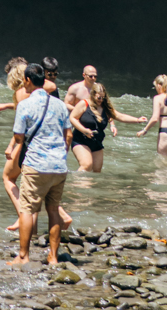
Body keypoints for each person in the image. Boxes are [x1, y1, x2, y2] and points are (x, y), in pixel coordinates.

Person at [6, 61, 73, 265]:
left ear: (27, 80)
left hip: (36, 165)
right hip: (59, 166)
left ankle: (23, 256)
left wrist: (14, 151)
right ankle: (53, 256)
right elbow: (68, 135)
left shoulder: (25, 105)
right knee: (53, 210)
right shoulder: (60, 105)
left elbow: (19, 138)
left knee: (27, 210)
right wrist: (61, 153)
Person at [69, 80, 118, 172]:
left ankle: (90, 186)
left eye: (103, 98)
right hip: (81, 139)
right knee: (86, 165)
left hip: (96, 141)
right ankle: (77, 185)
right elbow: (72, 118)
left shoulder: (104, 107)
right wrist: (84, 130)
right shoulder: (84, 103)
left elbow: (118, 116)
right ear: (93, 94)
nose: (101, 100)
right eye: (99, 97)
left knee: (97, 170)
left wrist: (137, 120)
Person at [134, 74, 167, 158]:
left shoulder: (157, 98)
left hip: (166, 134)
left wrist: (145, 130)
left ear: (158, 86)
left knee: (162, 165)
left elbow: (155, 118)